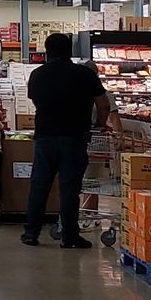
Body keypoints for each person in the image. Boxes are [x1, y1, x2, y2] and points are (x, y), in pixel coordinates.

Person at [21, 33, 112, 249]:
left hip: (45, 137)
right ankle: (70, 236)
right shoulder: (84, 74)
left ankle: (31, 233)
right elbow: (104, 105)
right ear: (70, 49)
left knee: (39, 186)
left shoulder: (37, 75)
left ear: (46, 50)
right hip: (74, 138)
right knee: (70, 189)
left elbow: (33, 98)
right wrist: (97, 125)